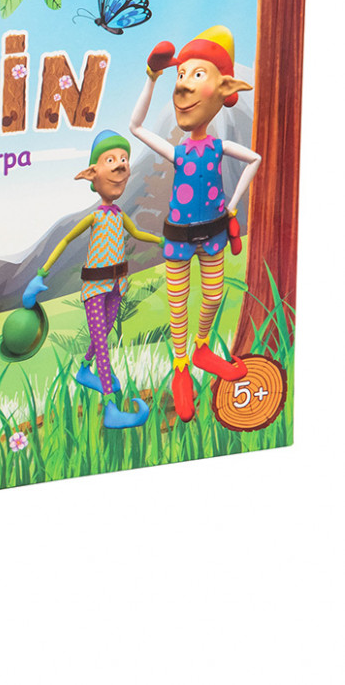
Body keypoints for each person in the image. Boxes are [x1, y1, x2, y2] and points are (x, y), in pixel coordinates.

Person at [129, 26, 260, 422]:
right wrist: (152, 78)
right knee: (178, 305)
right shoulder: (179, 152)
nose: (183, 84)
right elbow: (136, 127)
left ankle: (202, 348)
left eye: (195, 74)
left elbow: (254, 160)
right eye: (181, 75)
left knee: (214, 295)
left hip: (215, 232)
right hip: (179, 238)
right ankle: (181, 365)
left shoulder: (219, 147)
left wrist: (232, 207)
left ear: (224, 88)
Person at [24, 130, 161, 429]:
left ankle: (84, 369)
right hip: (95, 287)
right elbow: (65, 240)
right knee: (102, 344)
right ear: (91, 174)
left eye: (124, 159)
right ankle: (111, 408)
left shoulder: (119, 214)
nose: (120, 165)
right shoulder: (95, 217)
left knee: (105, 331)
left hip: (118, 283)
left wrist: (162, 241)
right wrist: (41, 274)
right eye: (111, 160)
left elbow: (137, 233)